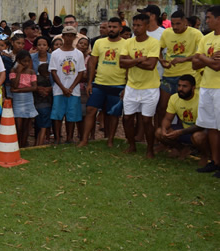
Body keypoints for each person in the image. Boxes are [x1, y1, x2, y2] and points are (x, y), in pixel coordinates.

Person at [78, 17, 127, 148]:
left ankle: (110, 140)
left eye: (114, 27)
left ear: (120, 29)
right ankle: (84, 139)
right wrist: (89, 82)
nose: (111, 29)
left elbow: (128, 66)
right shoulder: (99, 43)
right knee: (90, 109)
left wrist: (126, 86)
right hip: (99, 83)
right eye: (110, 27)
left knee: (113, 114)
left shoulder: (126, 44)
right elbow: (92, 62)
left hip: (118, 84)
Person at [119, 13, 161, 158]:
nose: (135, 28)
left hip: (150, 88)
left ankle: (150, 149)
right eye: (134, 25)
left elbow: (151, 65)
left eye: (139, 25)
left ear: (147, 26)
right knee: (127, 118)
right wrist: (139, 59)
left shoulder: (154, 43)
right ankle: (132, 145)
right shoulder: (128, 42)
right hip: (132, 86)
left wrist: (131, 60)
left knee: (147, 120)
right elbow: (121, 63)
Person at [158, 11, 203, 123]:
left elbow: (202, 54)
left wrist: (184, 59)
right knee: (162, 107)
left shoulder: (196, 34)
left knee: (184, 108)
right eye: (173, 24)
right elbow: (158, 49)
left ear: (185, 22)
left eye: (178, 24)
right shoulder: (166, 33)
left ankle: (181, 131)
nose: (175, 27)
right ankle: (161, 131)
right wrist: (161, 60)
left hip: (188, 76)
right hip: (169, 76)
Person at [155, 75, 208, 164]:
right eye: (179, 85)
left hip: (200, 130)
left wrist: (180, 132)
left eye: (184, 86)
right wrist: (164, 129)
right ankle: (182, 149)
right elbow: (167, 119)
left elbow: (202, 125)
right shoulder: (174, 98)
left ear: (193, 88)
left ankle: (205, 155)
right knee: (159, 132)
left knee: (198, 137)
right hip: (184, 130)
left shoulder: (201, 99)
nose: (180, 89)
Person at [193, 5, 220, 176]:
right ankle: (215, 162)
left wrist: (202, 58)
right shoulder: (206, 38)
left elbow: (217, 66)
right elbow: (194, 63)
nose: (206, 21)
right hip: (206, 86)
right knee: (211, 126)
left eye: (209, 17)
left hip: (219, 88)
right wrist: (207, 58)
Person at [49, 26, 86, 144]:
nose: (69, 38)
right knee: (57, 115)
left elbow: (80, 72)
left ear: (75, 37)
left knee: (72, 115)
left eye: (71, 36)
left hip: (73, 90)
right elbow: (54, 72)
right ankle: (57, 138)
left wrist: (71, 88)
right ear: (63, 36)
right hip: (59, 90)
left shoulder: (79, 54)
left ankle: (69, 137)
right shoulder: (55, 53)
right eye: (67, 35)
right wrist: (63, 88)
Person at [10, 51, 38, 148]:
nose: (26, 63)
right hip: (18, 101)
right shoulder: (13, 71)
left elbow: (34, 87)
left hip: (28, 100)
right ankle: (16, 144)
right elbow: (14, 85)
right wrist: (18, 72)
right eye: (24, 61)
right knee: (18, 125)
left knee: (26, 125)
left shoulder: (31, 72)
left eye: (28, 61)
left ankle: (23, 144)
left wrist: (18, 90)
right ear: (18, 61)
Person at [34, 63, 53, 145]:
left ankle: (37, 142)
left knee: (39, 125)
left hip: (37, 105)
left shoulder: (36, 79)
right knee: (44, 127)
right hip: (45, 105)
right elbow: (45, 93)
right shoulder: (46, 81)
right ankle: (41, 143)